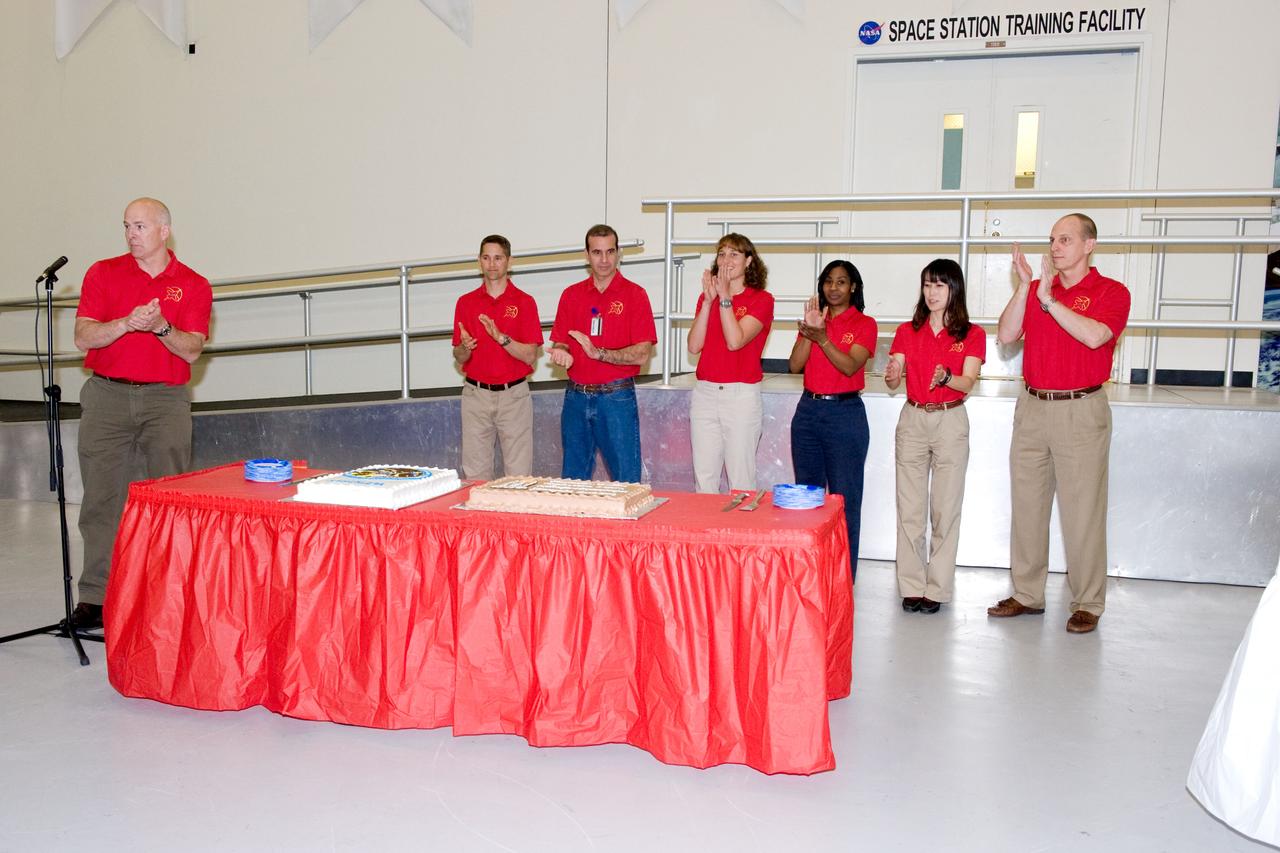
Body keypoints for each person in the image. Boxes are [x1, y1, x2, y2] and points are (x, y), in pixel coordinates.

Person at [69, 197, 212, 630]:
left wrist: (160, 327)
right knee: (101, 499)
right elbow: (82, 336)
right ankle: (96, 596)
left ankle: (166, 593)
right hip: (107, 397)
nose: (131, 234)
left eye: (140, 226)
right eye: (127, 226)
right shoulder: (103, 272)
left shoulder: (192, 284)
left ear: (164, 231)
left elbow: (192, 347)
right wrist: (126, 324)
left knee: (167, 498)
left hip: (164, 402)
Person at [987, 213, 1130, 634]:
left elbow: (1094, 337)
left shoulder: (1111, 291)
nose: (1055, 246)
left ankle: (1087, 601)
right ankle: (1027, 593)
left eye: (1066, 239)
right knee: (1027, 506)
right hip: (1032, 407)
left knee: (1082, 510)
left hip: (1080, 410)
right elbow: (1008, 335)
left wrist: (1051, 302)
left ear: (1090, 245)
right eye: (1052, 239)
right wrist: (1025, 288)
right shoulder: (1035, 290)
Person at [884, 259, 986, 614]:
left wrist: (946, 378)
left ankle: (938, 588)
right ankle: (911, 584)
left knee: (945, 509)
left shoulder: (972, 334)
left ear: (953, 289)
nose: (932, 292)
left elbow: (968, 382)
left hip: (950, 420)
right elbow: (894, 378)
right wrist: (894, 372)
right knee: (909, 508)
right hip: (913, 418)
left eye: (940, 285)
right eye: (927, 285)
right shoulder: (906, 330)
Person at [788, 260, 877, 580]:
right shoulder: (815, 323)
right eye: (828, 282)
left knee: (844, 501)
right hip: (808, 413)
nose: (833, 288)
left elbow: (850, 367)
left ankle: (843, 579)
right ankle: (810, 574)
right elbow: (794, 366)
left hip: (845, 415)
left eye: (841, 282)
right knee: (807, 500)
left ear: (853, 287)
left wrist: (823, 337)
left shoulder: (865, 323)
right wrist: (809, 334)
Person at [548, 224, 656, 482]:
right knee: (572, 481)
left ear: (619, 252)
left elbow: (643, 353)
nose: (604, 260)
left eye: (610, 252)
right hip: (576, 397)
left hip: (616, 398)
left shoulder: (635, 295)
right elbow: (561, 341)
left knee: (626, 482)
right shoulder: (571, 295)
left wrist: (600, 354)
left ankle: (625, 524)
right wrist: (562, 353)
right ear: (587, 255)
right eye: (597, 252)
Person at [686, 233, 774, 493]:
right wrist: (708, 302)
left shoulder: (761, 300)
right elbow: (693, 346)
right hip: (705, 393)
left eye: (734, 254)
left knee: (741, 480)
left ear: (748, 261)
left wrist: (725, 299)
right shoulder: (708, 299)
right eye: (722, 254)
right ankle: (706, 532)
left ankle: (742, 533)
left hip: (740, 395)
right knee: (704, 478)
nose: (726, 260)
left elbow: (735, 340)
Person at [452, 235, 542, 480]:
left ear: (509, 262)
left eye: (498, 258)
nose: (492, 264)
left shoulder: (525, 302)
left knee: (518, 477)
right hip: (475, 397)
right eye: (486, 257)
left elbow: (530, 355)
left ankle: (514, 519)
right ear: (479, 261)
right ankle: (480, 520)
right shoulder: (466, 303)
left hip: (514, 397)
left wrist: (501, 338)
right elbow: (459, 356)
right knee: (475, 478)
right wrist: (464, 347)